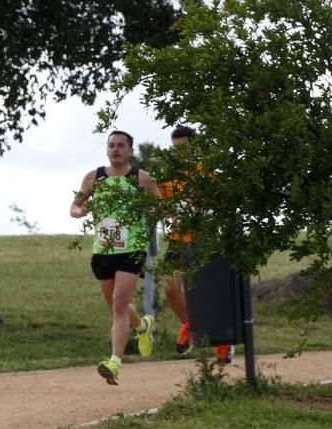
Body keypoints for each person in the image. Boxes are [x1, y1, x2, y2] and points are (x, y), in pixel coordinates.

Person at [70, 129, 161, 385]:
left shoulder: (142, 179)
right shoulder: (94, 177)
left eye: (121, 146)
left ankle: (115, 363)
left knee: (120, 303)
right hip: (102, 251)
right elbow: (75, 206)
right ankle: (143, 326)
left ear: (130, 151)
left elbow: (161, 205)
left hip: (131, 250)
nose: (115, 150)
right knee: (114, 306)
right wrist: (81, 210)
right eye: (111, 145)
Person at [159, 125, 234, 364]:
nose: (180, 155)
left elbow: (223, 203)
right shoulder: (170, 175)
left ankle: (223, 344)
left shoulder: (209, 172)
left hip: (206, 238)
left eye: (184, 149)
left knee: (208, 293)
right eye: (176, 150)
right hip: (179, 239)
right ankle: (190, 325)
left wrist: (201, 204)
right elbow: (161, 203)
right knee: (171, 288)